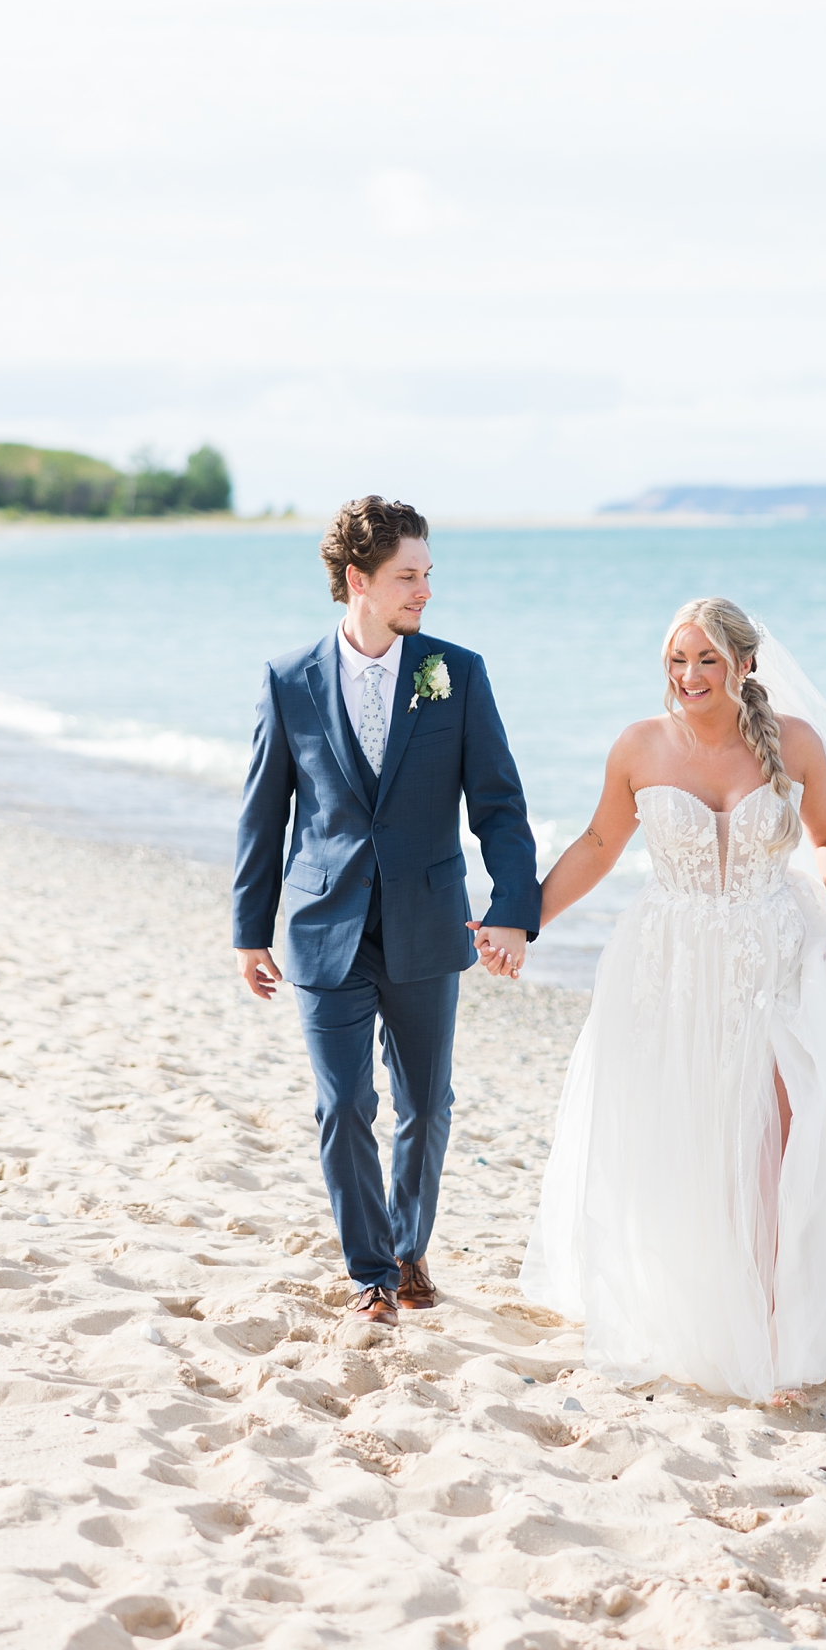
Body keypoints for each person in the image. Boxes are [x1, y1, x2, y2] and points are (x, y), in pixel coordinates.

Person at [520, 597, 826, 1403]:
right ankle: (702, 1302)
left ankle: (779, 1323)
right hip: (668, 965)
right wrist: (520, 923)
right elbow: (600, 844)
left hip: (774, 960)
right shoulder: (639, 746)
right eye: (677, 659)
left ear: (744, 666)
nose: (689, 675)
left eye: (707, 659)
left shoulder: (796, 742)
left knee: (780, 1136)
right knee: (689, 1135)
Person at [233, 495, 540, 1325]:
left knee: (425, 1107)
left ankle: (408, 1249)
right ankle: (370, 1275)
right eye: (409, 576)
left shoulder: (456, 673)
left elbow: (501, 809)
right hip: (323, 927)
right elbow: (265, 813)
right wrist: (248, 933)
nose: (425, 591)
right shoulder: (287, 679)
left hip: (429, 924)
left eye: (429, 574)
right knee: (343, 1106)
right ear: (359, 581)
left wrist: (513, 908)